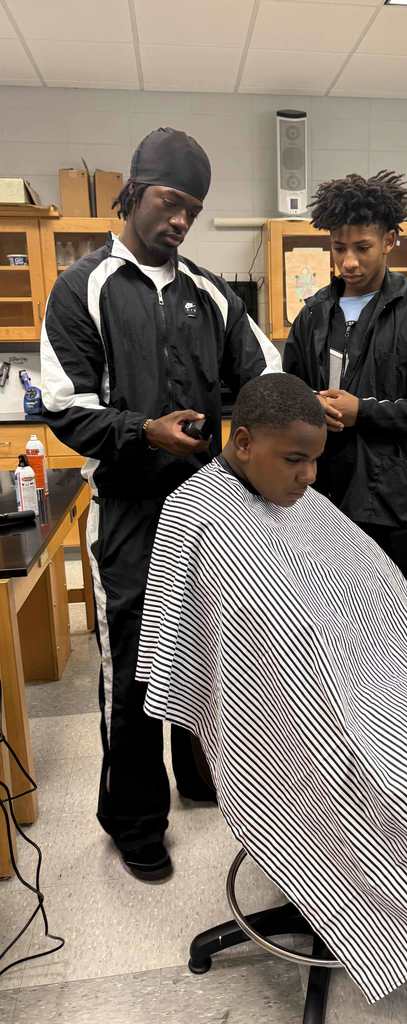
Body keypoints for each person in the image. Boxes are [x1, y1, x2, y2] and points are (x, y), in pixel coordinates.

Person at [137, 373, 407, 1023]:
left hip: (372, 687)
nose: (310, 476)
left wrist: (404, 670)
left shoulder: (279, 495)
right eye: (295, 459)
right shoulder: (202, 517)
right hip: (312, 738)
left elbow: (367, 598)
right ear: (245, 441)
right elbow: (241, 667)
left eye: (317, 459)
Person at [40, 127, 281, 882]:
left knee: (209, 649)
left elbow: (264, 375)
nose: (179, 222)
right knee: (138, 667)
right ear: (135, 194)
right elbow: (63, 403)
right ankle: (136, 819)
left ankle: (200, 770)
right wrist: (141, 430)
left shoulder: (209, 293)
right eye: (170, 204)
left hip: (208, 508)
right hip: (132, 510)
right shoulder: (82, 288)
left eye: (193, 211)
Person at [283, 170, 407, 597]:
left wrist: (362, 411)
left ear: (389, 241)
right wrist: (311, 404)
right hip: (320, 498)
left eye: (362, 247)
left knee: (399, 625)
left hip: (391, 501)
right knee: (329, 620)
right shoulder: (314, 314)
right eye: (339, 247)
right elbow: (287, 392)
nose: (349, 261)